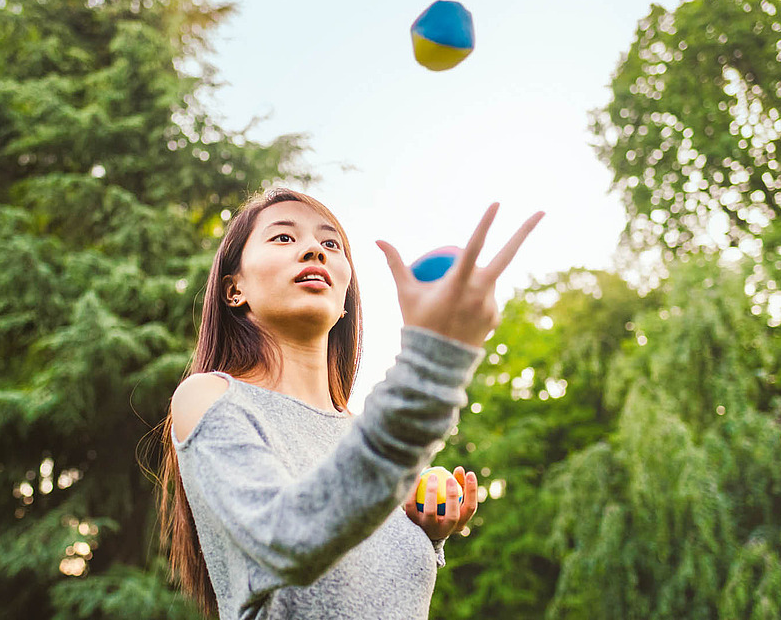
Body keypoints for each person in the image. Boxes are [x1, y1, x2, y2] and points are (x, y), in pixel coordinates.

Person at [156, 188, 544, 619]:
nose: (314, 251)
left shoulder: (370, 443)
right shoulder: (209, 396)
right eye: (283, 237)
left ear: (344, 300)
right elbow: (286, 539)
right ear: (234, 290)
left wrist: (422, 526)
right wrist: (435, 359)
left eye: (330, 244)